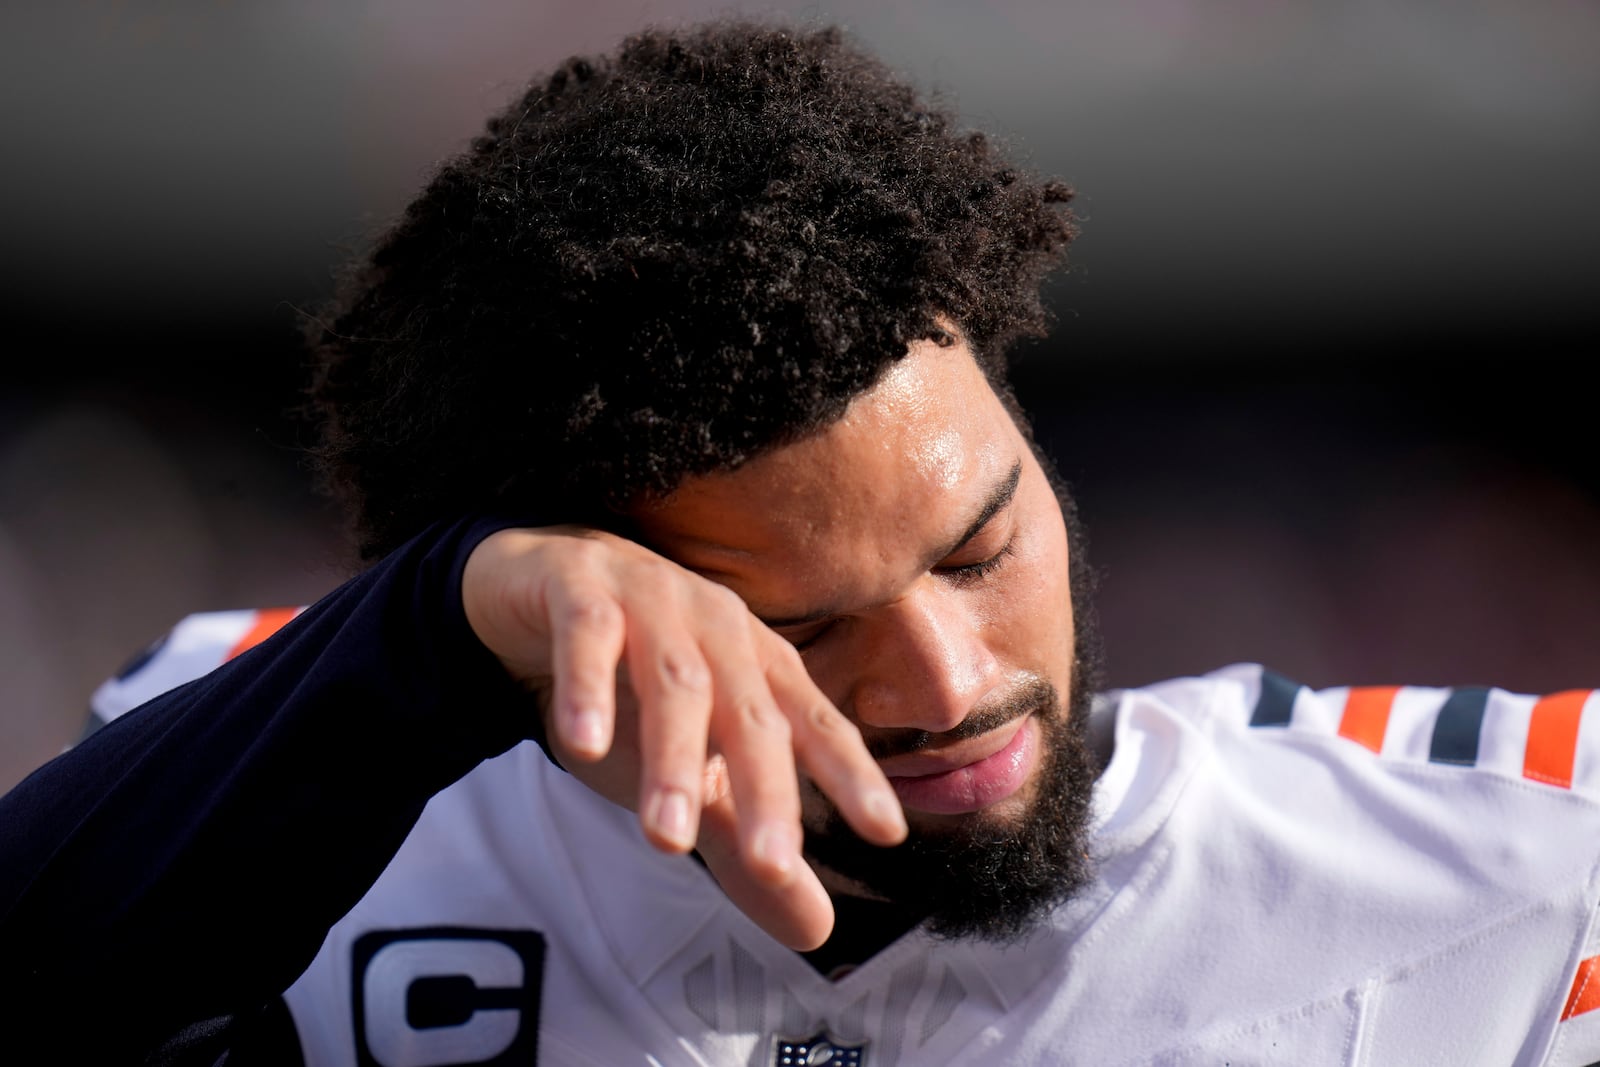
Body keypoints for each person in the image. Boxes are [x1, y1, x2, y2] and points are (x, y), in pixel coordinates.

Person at [3, 19, 1599, 1067]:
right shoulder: (278, 774)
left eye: (978, 548)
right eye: (802, 630)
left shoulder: (1521, 845)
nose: (949, 681)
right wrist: (437, 623)